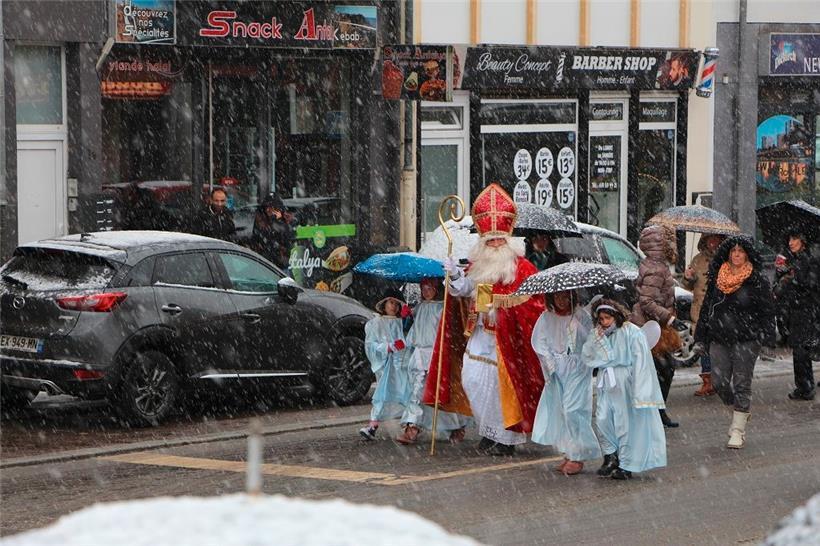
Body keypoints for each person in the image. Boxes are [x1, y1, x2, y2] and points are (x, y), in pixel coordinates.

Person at [423, 183, 545, 457]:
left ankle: (505, 438)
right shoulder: (478, 266)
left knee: (502, 387)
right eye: (489, 240)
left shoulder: (522, 268)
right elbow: (464, 291)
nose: (494, 244)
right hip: (480, 335)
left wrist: (502, 307)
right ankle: (489, 431)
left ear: (509, 239)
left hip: (508, 342)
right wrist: (454, 275)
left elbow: (532, 305)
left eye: (498, 239)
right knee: (473, 380)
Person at [694, 236, 776, 449]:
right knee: (719, 382)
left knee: (742, 383)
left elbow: (767, 311)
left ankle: (738, 429)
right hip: (719, 337)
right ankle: (739, 410)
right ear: (728, 254)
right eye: (733, 251)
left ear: (747, 254)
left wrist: (767, 339)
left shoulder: (756, 280)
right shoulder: (717, 278)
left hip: (747, 339)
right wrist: (701, 336)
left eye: (741, 251)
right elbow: (706, 308)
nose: (737, 254)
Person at [582, 299, 667, 480]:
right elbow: (588, 356)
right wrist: (595, 340)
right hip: (607, 382)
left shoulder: (632, 333)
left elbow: (641, 362)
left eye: (607, 318)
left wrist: (640, 390)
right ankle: (610, 456)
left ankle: (626, 464)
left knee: (624, 424)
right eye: (601, 319)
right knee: (603, 419)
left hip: (625, 383)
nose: (604, 322)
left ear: (616, 316)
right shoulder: (598, 334)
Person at [530, 291, 601, 476]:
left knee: (573, 410)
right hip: (557, 370)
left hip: (577, 367)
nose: (561, 300)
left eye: (565, 296)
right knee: (561, 411)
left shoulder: (581, 316)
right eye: (557, 296)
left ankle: (578, 455)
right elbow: (539, 342)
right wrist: (550, 362)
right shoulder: (546, 318)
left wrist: (579, 328)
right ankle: (569, 452)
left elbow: (592, 341)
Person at [395, 278, 467, 445]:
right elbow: (413, 330)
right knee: (417, 391)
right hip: (419, 355)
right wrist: (406, 316)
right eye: (423, 288)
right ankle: (413, 425)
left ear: (436, 289)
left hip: (436, 354)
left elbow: (445, 332)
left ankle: (455, 425)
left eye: (429, 288)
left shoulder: (442, 307)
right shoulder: (420, 307)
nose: (426, 291)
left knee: (438, 393)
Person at [632, 224, 684, 428]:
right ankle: (656, 412)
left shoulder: (655, 265)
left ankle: (656, 411)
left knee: (660, 369)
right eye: (670, 242)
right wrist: (670, 318)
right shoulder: (656, 268)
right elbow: (647, 301)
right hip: (650, 327)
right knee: (663, 368)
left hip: (652, 325)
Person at [359, 288, 410, 441]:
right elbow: (370, 345)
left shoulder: (403, 323)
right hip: (385, 367)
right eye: (390, 302)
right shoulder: (376, 323)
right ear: (384, 304)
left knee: (406, 393)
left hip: (401, 365)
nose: (393, 307)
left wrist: (404, 344)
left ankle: (409, 424)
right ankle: (372, 425)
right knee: (382, 394)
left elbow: (409, 341)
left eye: (396, 303)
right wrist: (387, 347)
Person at [774, 231, 817, 401]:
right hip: (795, 311)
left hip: (806, 312)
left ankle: (805, 387)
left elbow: (810, 284)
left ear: (803, 241)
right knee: (799, 350)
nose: (791, 242)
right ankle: (804, 386)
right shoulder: (795, 259)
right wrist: (784, 272)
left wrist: (792, 277)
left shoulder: (809, 259)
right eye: (789, 239)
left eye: (794, 239)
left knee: (801, 351)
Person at [683, 233, 726, 397]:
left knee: (717, 346)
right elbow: (687, 285)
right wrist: (688, 277)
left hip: (717, 309)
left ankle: (719, 379)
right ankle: (707, 382)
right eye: (710, 239)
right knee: (703, 346)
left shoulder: (724, 259)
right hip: (700, 310)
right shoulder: (697, 259)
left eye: (716, 239)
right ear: (704, 241)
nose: (713, 242)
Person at [252, 193, 295, 269]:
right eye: (267, 207)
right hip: (264, 264)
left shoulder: (283, 223)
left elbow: (288, 244)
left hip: (279, 265)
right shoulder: (261, 222)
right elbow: (258, 239)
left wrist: (277, 222)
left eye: (272, 207)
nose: (268, 210)